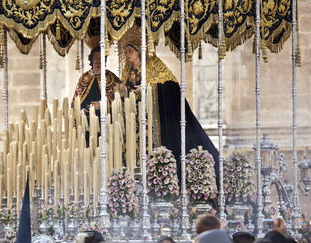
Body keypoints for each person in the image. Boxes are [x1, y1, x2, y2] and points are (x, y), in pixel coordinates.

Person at [117, 24, 219, 183]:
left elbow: (170, 86)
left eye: (130, 51)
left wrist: (148, 89)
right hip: (135, 124)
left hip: (153, 122)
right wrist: (124, 94)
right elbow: (128, 97)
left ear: (139, 51)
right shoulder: (128, 72)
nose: (127, 55)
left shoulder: (154, 66)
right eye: (125, 52)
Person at [72, 45, 121, 145]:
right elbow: (76, 99)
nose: (98, 61)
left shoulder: (111, 77)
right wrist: (81, 110)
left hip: (105, 122)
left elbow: (119, 100)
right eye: (95, 57)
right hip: (87, 122)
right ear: (91, 60)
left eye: (100, 57)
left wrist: (102, 104)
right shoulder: (84, 77)